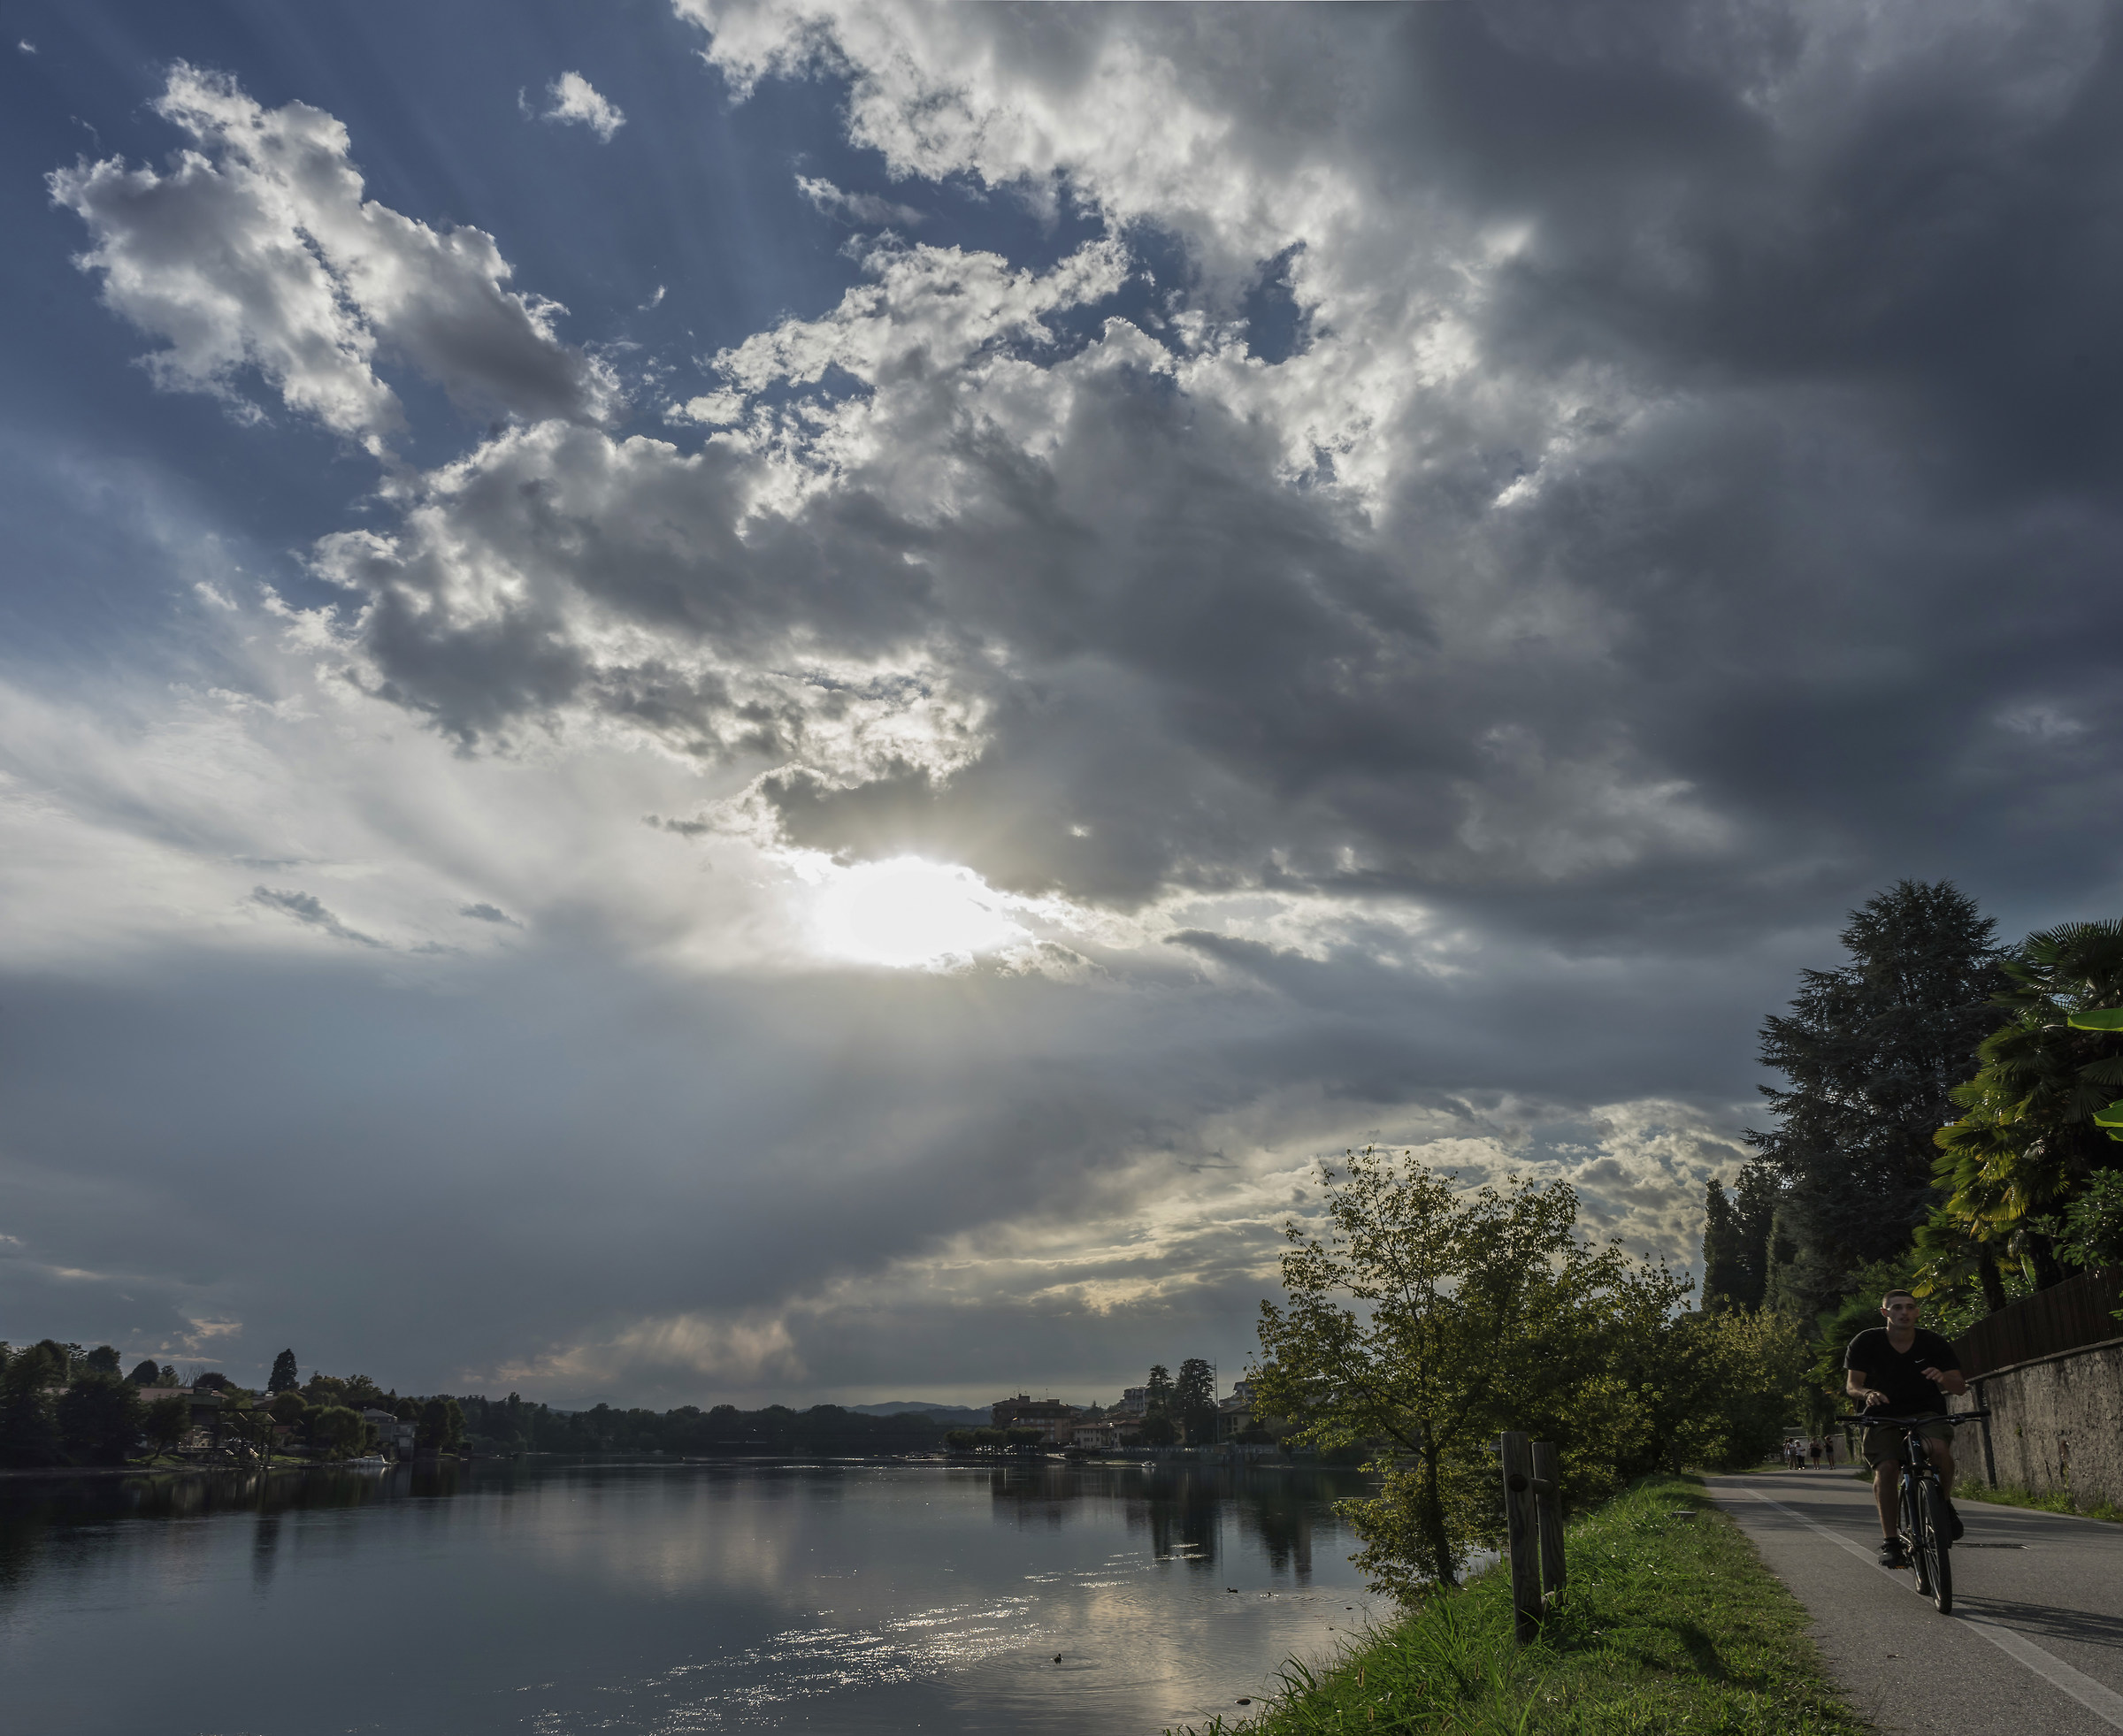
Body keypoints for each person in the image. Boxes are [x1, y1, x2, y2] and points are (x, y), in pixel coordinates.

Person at [1845, 1288, 1967, 1568]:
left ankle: (1944, 1505)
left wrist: (1943, 1379)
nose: (1904, 1312)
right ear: (1885, 1312)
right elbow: (1852, 1386)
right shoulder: (1866, 1342)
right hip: (1882, 1414)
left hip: (1926, 1412)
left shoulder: (1933, 1342)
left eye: (1910, 1307)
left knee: (1939, 1452)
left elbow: (1960, 1387)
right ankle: (1891, 1541)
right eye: (1897, 1307)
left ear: (1917, 1312)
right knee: (1887, 1468)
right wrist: (1867, 1394)